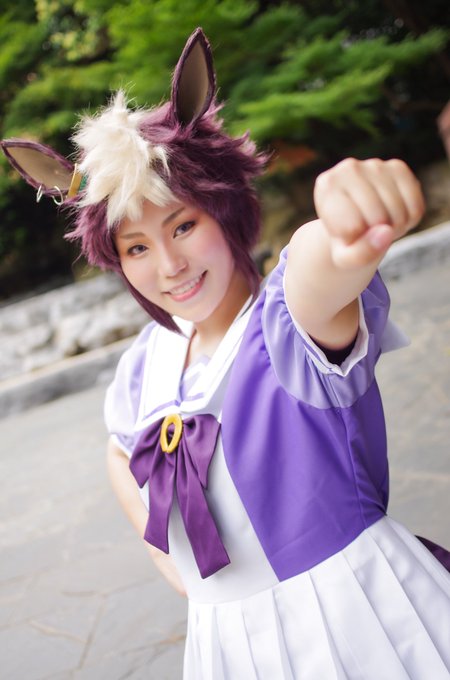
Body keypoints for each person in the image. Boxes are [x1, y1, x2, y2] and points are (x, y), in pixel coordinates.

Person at [2, 27, 450, 680]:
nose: (170, 265)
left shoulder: (284, 325)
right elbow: (120, 452)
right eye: (137, 248)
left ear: (228, 212)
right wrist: (170, 562)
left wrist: (343, 229)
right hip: (229, 647)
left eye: (184, 225)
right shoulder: (147, 363)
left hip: (360, 619)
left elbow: (319, 271)